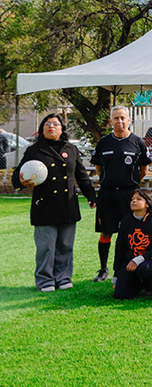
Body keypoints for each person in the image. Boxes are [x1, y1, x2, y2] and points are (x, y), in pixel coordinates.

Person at [17, 114, 96, 292]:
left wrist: (91, 196)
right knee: (46, 246)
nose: (51, 126)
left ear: (62, 128)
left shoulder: (71, 149)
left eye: (55, 123)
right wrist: (20, 182)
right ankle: (45, 280)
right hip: (44, 206)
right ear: (42, 128)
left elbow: (81, 175)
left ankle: (63, 277)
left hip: (67, 204)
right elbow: (18, 174)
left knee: (66, 245)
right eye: (47, 123)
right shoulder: (34, 150)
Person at [91, 105, 151, 283]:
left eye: (123, 118)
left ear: (129, 120)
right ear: (110, 121)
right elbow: (98, 167)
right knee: (106, 232)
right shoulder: (103, 142)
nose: (120, 121)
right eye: (116, 118)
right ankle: (103, 269)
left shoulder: (138, 142)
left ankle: (127, 266)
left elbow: (144, 169)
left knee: (130, 232)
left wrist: (131, 184)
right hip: (107, 195)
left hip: (130, 195)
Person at [112, 189, 152, 299]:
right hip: (129, 262)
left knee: (144, 269)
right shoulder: (126, 221)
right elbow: (120, 248)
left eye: (138, 199)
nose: (134, 201)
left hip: (149, 261)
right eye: (132, 199)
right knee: (120, 294)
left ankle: (150, 282)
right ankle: (138, 282)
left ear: (148, 203)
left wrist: (139, 259)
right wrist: (117, 275)